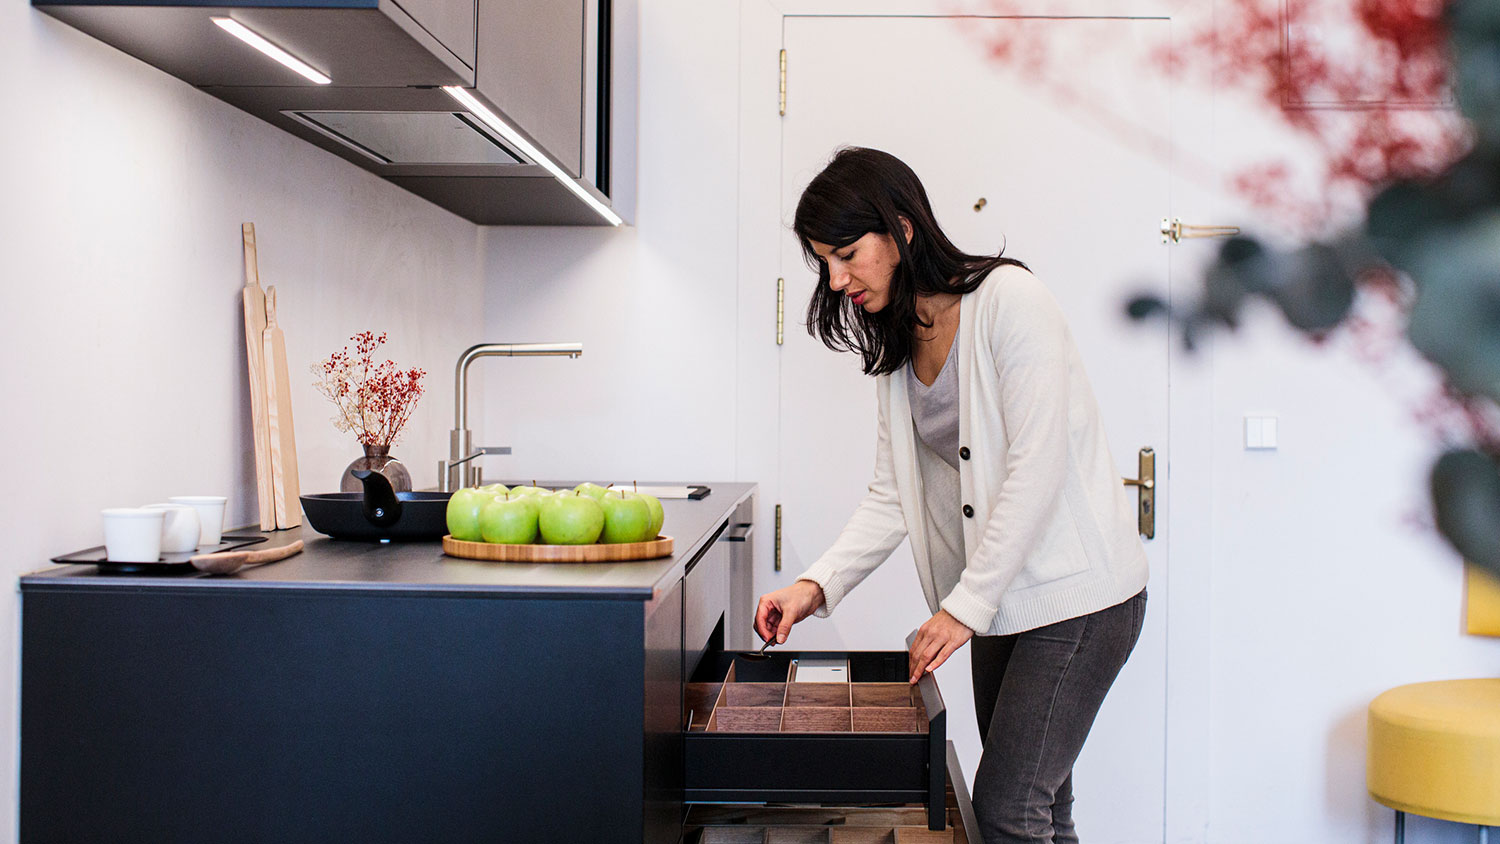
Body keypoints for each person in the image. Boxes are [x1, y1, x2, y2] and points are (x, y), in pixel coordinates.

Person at [754, 147, 1149, 844]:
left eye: (847, 253)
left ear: (902, 230)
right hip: (1001, 596)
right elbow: (890, 495)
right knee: (1039, 809)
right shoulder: (899, 344)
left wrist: (961, 608)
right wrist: (814, 586)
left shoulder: (1010, 303)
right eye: (824, 262)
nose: (837, 278)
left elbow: (1038, 466)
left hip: (1081, 598)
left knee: (1006, 809)